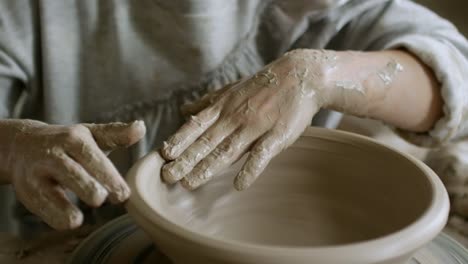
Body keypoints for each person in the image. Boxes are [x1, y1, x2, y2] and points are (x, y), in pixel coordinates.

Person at [0, 0, 467, 233]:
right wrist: (15, 144)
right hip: (81, 240)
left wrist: (320, 74)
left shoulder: (303, 7)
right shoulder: (36, 12)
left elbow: (455, 75)